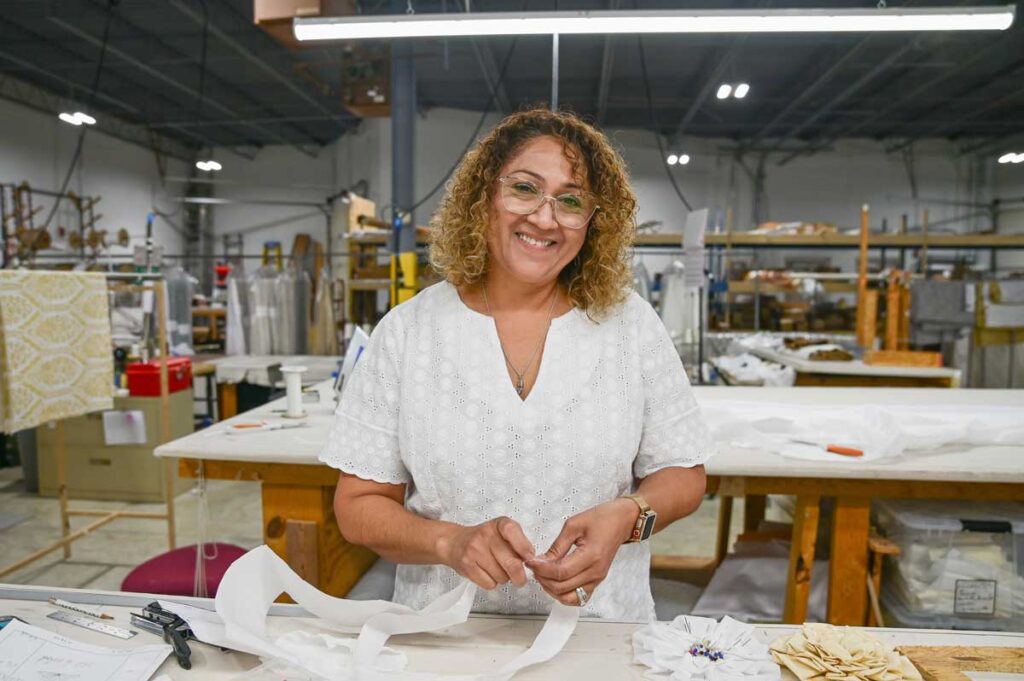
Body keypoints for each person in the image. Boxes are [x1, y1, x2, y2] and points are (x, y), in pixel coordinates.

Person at [320, 108, 711, 620]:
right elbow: (357, 506)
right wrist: (448, 542)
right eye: (525, 189)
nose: (545, 219)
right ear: (483, 197)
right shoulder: (408, 332)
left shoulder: (630, 326)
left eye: (570, 201)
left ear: (593, 223)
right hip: (444, 635)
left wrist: (629, 515)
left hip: (600, 634)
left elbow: (683, 474)